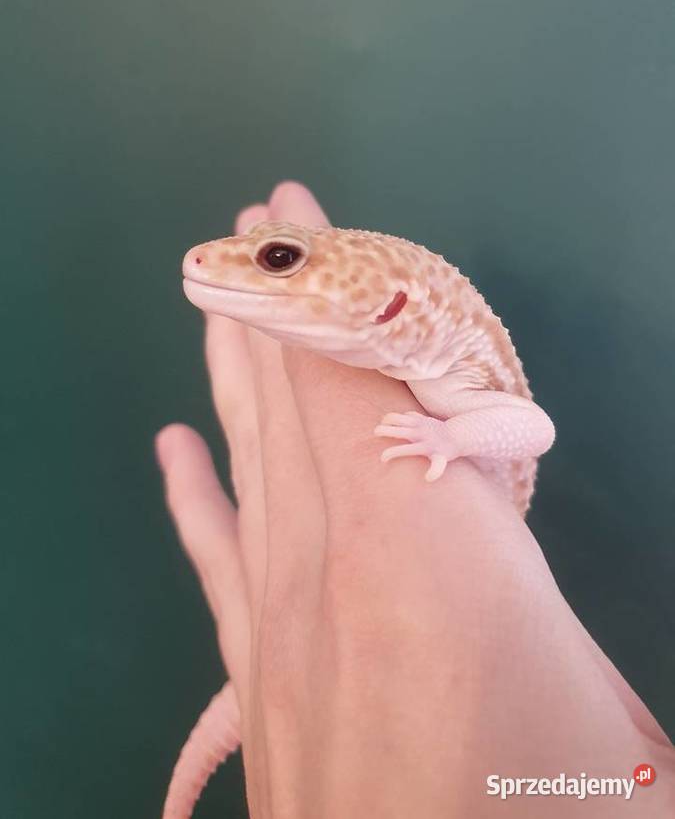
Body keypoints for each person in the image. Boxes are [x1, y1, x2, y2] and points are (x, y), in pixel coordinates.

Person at [155, 182, 674, 817]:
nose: (203, 259)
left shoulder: (454, 387)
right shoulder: (422, 361)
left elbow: (534, 430)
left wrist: (449, 438)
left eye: (281, 259)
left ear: (390, 306)